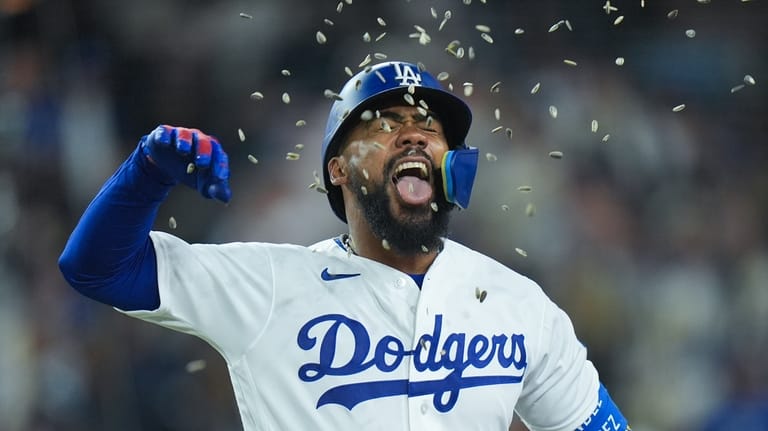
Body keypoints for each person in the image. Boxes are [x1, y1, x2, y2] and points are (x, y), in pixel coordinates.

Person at [59, 61, 631, 431]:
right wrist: (144, 175)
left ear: (452, 164)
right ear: (338, 169)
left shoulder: (519, 304)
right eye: (384, 124)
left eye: (429, 127)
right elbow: (98, 269)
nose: (413, 133)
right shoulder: (271, 285)